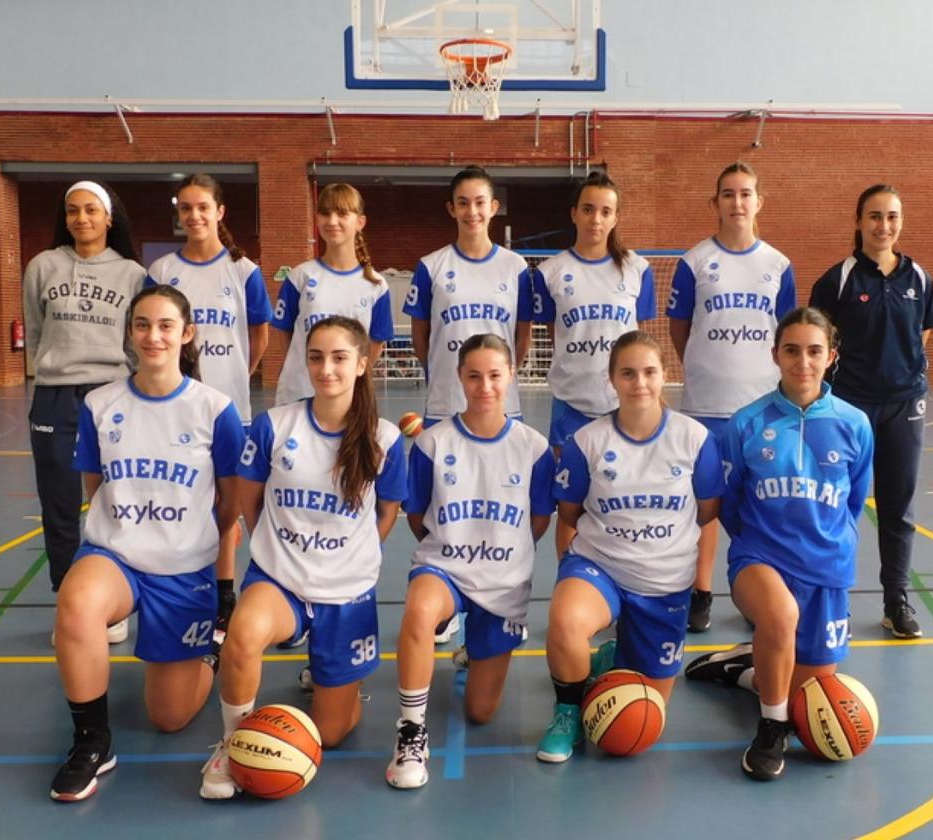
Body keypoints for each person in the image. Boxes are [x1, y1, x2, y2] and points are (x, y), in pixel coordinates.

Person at [49, 285, 245, 801]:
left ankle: (208, 654)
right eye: (142, 325)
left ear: (187, 334)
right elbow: (97, 489)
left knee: (169, 718)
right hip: (117, 556)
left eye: (164, 325)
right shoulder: (99, 404)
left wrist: (206, 562)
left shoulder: (215, 410)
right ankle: (92, 741)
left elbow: (229, 506)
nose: (153, 336)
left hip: (184, 570)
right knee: (76, 603)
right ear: (130, 332)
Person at [200, 315, 407, 799]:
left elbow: (388, 511)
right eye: (316, 357)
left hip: (346, 590)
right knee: (243, 635)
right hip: (281, 580)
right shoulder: (276, 425)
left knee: (330, 734)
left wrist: (354, 556)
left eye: (339, 358)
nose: (326, 369)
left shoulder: (385, 438)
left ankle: (339, 682)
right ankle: (232, 742)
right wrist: (275, 550)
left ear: (361, 363)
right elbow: (250, 500)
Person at [684, 307, 874, 781]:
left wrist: (833, 547)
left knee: (812, 695)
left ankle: (743, 668)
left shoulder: (855, 425)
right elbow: (731, 501)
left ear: (831, 356)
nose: (802, 362)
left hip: (826, 568)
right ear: (775, 355)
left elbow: (854, 501)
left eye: (814, 351)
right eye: (791, 350)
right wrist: (752, 544)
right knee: (780, 623)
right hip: (760, 558)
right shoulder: (746, 423)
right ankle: (769, 729)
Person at [536, 330, 723, 763]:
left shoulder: (694, 440)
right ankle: (566, 709)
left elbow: (707, 511)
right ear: (612, 379)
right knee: (566, 621)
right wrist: (570, 577)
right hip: (601, 567)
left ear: (664, 375)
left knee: (641, 720)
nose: (639, 383)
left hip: (664, 584)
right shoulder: (588, 442)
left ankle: (610, 657)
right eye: (628, 373)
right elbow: (568, 516)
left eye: (649, 372)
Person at [386, 334, 555, 789]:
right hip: (445, 568)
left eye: (495, 375)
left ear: (511, 376)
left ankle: (473, 650)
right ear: (459, 377)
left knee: (480, 713)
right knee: (421, 610)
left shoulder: (533, 447)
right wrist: (452, 549)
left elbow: (538, 521)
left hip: (503, 582)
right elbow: (417, 517)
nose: (485, 386)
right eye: (474, 375)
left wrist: (502, 553)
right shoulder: (431, 444)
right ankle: (411, 731)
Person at [665, 162, 796, 634]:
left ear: (759, 201)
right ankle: (700, 591)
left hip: (760, 406)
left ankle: (757, 590)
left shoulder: (778, 265)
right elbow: (680, 328)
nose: (736, 203)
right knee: (701, 506)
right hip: (705, 405)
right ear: (715, 203)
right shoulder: (695, 262)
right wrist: (703, 366)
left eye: (745, 194)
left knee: (759, 504)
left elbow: (786, 333)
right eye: (727, 194)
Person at [809, 184, 933, 638]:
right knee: (838, 505)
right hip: (849, 408)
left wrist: (901, 377)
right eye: (875, 216)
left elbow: (922, 334)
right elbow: (819, 341)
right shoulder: (838, 279)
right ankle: (832, 598)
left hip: (904, 406)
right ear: (859, 222)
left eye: (892, 217)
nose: (884, 226)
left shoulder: (919, 278)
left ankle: (895, 600)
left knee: (897, 507)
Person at [146, 174, 272, 642]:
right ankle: (176, 585)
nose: (194, 216)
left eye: (203, 207)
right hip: (173, 412)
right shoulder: (161, 272)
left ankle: (224, 592)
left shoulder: (243, 272)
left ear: (220, 212)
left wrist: (232, 376)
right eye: (186, 208)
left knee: (228, 506)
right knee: (181, 500)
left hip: (229, 410)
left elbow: (257, 336)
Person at [23, 180, 146, 643]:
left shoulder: (133, 273)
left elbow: (135, 341)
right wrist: (48, 371)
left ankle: (111, 605)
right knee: (57, 504)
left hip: (111, 393)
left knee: (112, 501)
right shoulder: (43, 266)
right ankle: (68, 601)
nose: (82, 218)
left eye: (91, 210)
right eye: (73, 211)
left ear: (109, 218)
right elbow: (35, 332)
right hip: (54, 394)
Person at [533, 170, 656, 559]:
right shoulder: (551, 273)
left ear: (616, 217)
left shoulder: (636, 269)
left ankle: (623, 577)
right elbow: (553, 331)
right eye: (588, 209)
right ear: (574, 214)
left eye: (605, 211)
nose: (596, 219)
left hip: (625, 408)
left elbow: (642, 342)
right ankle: (570, 583)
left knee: (624, 500)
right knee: (570, 506)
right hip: (572, 407)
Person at [403, 165, 535, 427]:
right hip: (446, 400)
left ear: (493, 207)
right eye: (463, 203)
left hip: (501, 402)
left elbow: (523, 335)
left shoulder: (516, 266)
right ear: (452, 209)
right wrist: (439, 372)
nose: (472, 212)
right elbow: (420, 336)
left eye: (479, 202)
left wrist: (504, 375)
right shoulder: (430, 266)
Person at [271, 183, 394, 407]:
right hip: (298, 393)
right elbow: (286, 335)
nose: (332, 221)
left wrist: (349, 380)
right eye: (325, 213)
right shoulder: (300, 277)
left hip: (348, 399)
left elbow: (374, 344)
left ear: (360, 222)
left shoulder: (376, 285)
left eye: (342, 213)